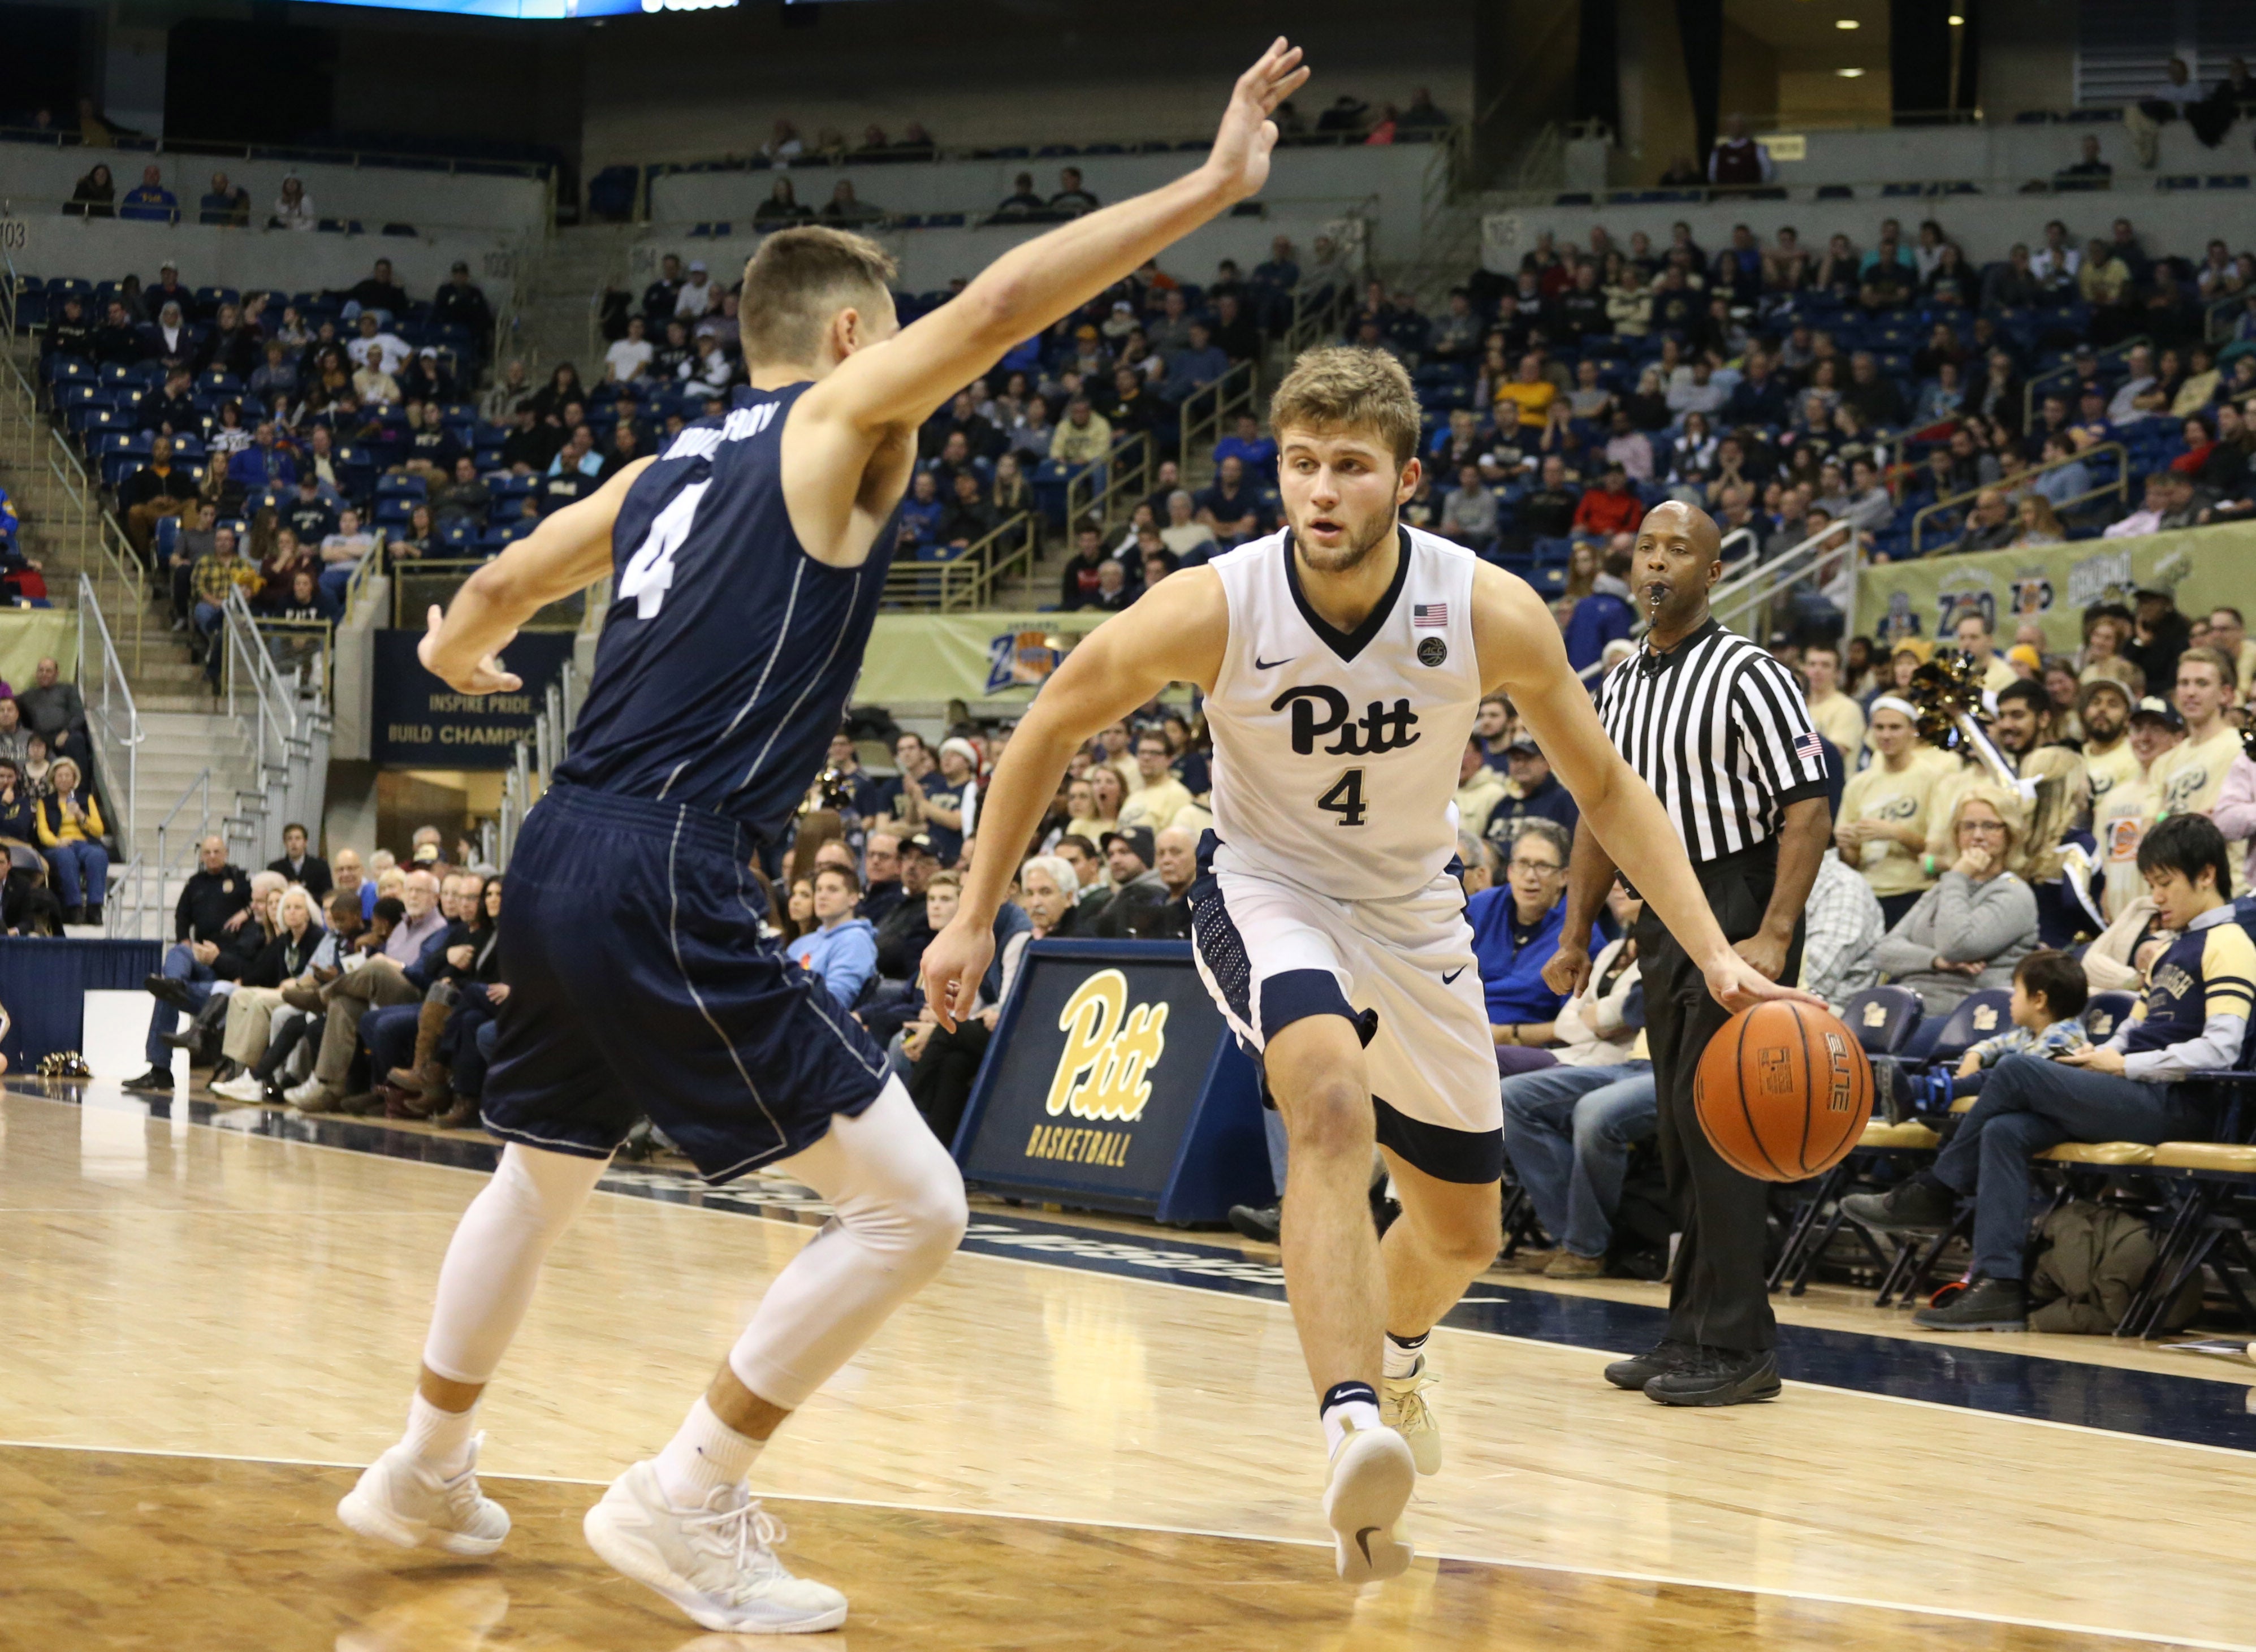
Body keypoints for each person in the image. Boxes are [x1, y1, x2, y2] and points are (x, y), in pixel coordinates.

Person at [336, 44, 1316, 1629]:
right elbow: (999, 311)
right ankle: (686, 1493)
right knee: (913, 1208)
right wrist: (1207, 188)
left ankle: (422, 1470)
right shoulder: (836, 418)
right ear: (856, 337)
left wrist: (454, 644)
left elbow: (509, 579)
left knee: (539, 1170)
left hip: (561, 843)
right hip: (667, 858)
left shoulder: (665, 468)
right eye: (896, 333)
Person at [923, 342, 1810, 1580]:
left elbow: (1603, 785)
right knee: (1329, 1104)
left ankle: (1391, 1360)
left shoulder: (1486, 608)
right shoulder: (1216, 604)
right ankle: (1348, 1421)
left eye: (1349, 466)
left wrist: (1714, 951)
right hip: (1269, 889)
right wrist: (973, 915)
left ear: (1405, 479)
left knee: (1460, 1236)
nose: (1321, 491)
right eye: (1300, 465)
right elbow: (1050, 721)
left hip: (1414, 911)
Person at [1547, 499, 1834, 1408]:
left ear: (1713, 571)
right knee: (1678, 1127)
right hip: (1662, 910)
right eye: (1646, 548)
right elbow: (1599, 814)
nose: (1657, 562)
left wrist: (1775, 931)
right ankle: (1688, 1328)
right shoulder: (1621, 681)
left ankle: (1740, 1343)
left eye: (1679, 550)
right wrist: (1571, 931)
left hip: (1735, 893)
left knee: (1726, 1124)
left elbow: (1807, 805)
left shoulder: (1749, 672)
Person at [1847, 816, 2246, 1330]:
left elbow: (2222, 1049)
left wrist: (2123, 1063)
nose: (2156, 897)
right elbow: (2136, 1030)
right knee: (2004, 1130)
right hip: (2133, 1089)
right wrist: (2101, 1055)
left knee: (2017, 1068)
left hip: (2181, 1105)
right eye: (2151, 885)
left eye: (2165, 884)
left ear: (2207, 874)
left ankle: (1936, 1190)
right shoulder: (2172, 947)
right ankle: (1998, 1285)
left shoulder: (2230, 942)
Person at [1499, 880, 1656, 1278]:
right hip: (1613, 1060)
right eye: (1617, 880)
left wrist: (1601, 1017)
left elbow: (1634, 1011)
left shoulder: (1674, 943)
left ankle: (1585, 1246)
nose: (1620, 888)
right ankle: (1571, 1238)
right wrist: (1601, 1018)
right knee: (1507, 1096)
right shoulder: (1611, 951)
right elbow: (1575, 1019)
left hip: (1661, 1067)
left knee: (1593, 1111)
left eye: (1633, 882)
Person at [1870, 787, 2039, 1015]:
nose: (1978, 836)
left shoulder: (2014, 894)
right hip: (1908, 1005)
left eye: (1990, 826)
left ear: (2009, 834)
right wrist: (1935, 960)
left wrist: (1958, 876)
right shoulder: (1945, 888)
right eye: (1969, 826)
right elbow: (1883, 952)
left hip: (1966, 1014)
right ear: (1957, 835)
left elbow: (1957, 946)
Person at [1470, 819, 1591, 1069]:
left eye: (1543, 866)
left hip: (1526, 1048)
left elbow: (1574, 1025)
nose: (1530, 877)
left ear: (1564, 877)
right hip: (1462, 1030)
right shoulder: (1478, 909)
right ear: (1510, 871)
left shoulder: (1580, 935)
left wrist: (1510, 1034)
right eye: (1523, 864)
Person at [1835, 695, 1943, 926]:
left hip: (1915, 891)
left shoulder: (1932, 779)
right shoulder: (1858, 784)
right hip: (1866, 892)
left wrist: (1897, 833)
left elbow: (1938, 853)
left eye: (1895, 728)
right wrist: (1846, 844)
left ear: (1912, 731)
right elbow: (1852, 860)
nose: (1886, 735)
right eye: (1880, 727)